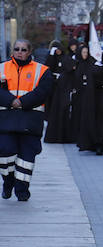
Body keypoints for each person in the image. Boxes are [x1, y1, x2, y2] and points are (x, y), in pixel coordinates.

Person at [0, 40, 54, 201]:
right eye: (17, 49)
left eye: (23, 49)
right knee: (5, 153)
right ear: (12, 50)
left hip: (30, 121)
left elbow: (43, 91)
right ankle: (8, 181)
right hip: (6, 121)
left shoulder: (42, 70)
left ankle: (22, 191)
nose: (19, 52)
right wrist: (11, 101)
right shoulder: (2, 68)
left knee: (26, 158)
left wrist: (22, 102)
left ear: (29, 51)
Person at [43, 40, 76, 143]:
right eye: (55, 50)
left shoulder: (64, 58)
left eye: (58, 50)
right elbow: (48, 66)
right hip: (53, 83)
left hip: (62, 84)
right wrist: (52, 55)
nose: (57, 52)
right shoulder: (52, 58)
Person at [72, 44, 95, 151]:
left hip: (89, 93)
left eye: (87, 52)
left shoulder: (91, 64)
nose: (85, 54)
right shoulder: (78, 64)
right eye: (83, 52)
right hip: (79, 93)